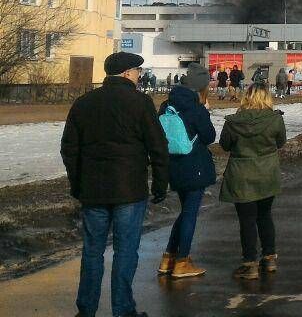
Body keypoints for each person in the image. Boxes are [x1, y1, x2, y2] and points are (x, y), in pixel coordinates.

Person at [60, 51, 168, 317]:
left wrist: (78, 184)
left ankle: (86, 310)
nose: (140, 76)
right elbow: (158, 146)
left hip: (93, 190)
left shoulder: (84, 103)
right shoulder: (140, 103)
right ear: (127, 73)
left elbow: (69, 148)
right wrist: (160, 184)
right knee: (126, 250)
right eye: (138, 72)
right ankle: (123, 310)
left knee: (92, 251)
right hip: (129, 189)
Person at [220, 84, 287, 279]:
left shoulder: (233, 122)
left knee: (247, 220)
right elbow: (280, 142)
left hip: (241, 175)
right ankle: (269, 257)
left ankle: (250, 263)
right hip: (267, 175)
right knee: (265, 216)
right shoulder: (275, 119)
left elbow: (225, 145)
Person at [158, 66, 217, 279]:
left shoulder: (167, 105)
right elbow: (209, 136)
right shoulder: (196, 108)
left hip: (173, 164)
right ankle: (182, 262)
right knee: (190, 213)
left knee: (185, 212)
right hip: (194, 167)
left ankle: (168, 258)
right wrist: (205, 112)